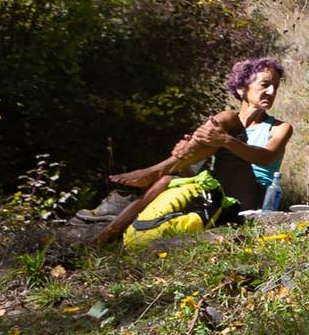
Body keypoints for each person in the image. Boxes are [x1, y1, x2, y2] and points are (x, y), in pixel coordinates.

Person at [95, 56, 296, 244]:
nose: (271, 92)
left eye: (275, 88)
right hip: (217, 194)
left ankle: (160, 167)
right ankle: (108, 235)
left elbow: (266, 157)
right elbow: (192, 175)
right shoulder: (219, 132)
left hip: (249, 197)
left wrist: (225, 140)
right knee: (166, 181)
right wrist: (186, 159)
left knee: (228, 118)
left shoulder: (279, 128)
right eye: (265, 85)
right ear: (243, 88)